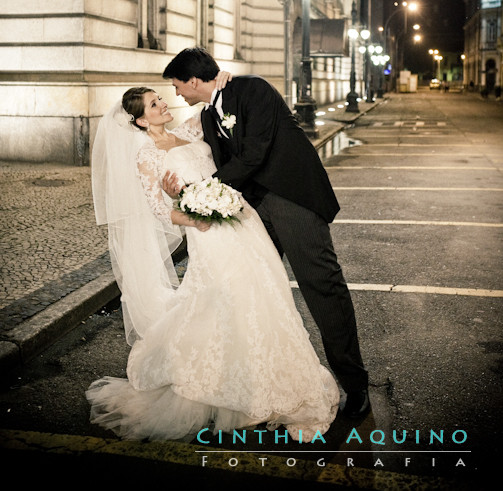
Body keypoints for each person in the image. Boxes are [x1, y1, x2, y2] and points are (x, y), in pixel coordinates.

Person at [86, 83, 339, 441]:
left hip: (243, 221)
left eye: (161, 99)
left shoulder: (188, 129)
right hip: (209, 234)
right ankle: (235, 385)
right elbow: (158, 208)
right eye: (154, 105)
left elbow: (218, 109)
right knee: (230, 300)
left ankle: (275, 373)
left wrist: (222, 81)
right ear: (141, 121)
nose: (163, 105)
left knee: (268, 291)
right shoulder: (147, 155)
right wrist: (194, 214)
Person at [162, 47, 370, 419]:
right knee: (256, 290)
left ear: (193, 80)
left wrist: (203, 191)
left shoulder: (254, 90)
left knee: (321, 286)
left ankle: (355, 385)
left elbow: (255, 152)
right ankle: (266, 384)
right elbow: (196, 148)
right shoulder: (208, 115)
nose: (177, 94)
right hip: (253, 209)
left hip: (292, 198)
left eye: (178, 86)